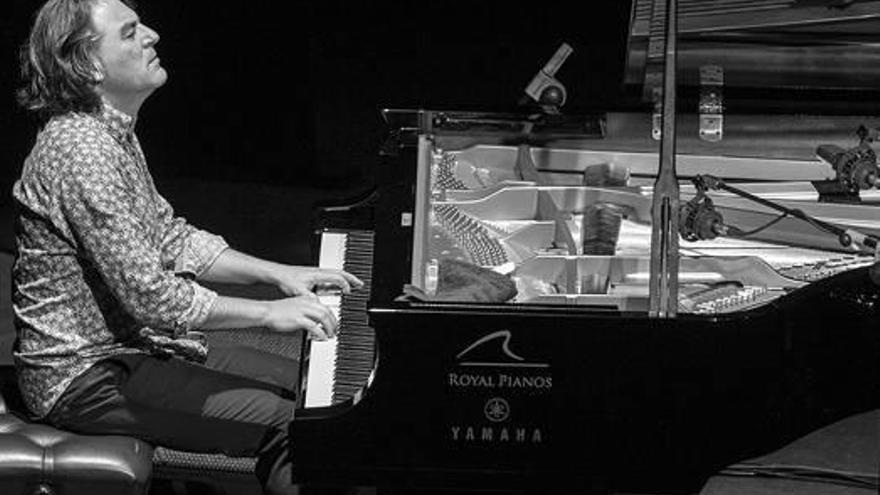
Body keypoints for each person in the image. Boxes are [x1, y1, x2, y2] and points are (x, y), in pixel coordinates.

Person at [12, 0, 363, 493]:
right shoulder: (82, 152)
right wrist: (268, 314)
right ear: (89, 64)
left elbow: (171, 236)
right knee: (303, 426)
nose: (152, 35)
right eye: (130, 32)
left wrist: (279, 273)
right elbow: (151, 296)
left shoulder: (111, 132)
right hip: (86, 377)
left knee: (309, 384)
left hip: (133, 346)